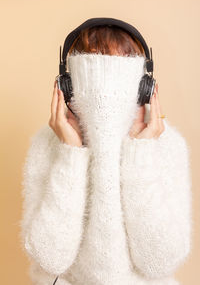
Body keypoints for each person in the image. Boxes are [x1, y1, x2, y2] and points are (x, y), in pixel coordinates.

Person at [19, 25, 193, 285]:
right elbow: (50, 258)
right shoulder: (48, 143)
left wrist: (140, 155)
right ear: (67, 87)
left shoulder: (166, 144)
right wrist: (71, 153)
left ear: (144, 87)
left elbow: (160, 261)